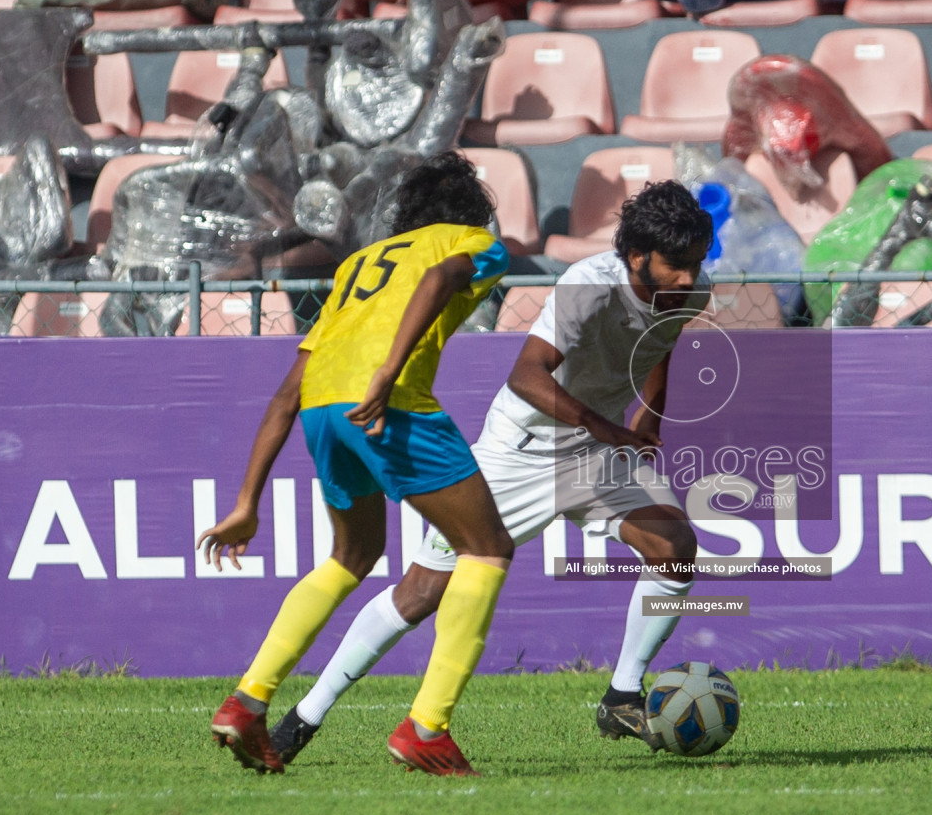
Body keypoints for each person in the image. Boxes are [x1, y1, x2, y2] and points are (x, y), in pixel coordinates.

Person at [267, 180, 715, 764]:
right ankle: (304, 717)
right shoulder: (587, 287)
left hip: (597, 452)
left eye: (696, 262)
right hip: (522, 449)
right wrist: (608, 428)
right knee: (423, 590)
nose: (689, 276)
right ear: (636, 258)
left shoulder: (691, 292)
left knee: (676, 546)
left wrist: (649, 415)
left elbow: (661, 344)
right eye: (676, 264)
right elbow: (527, 376)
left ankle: (622, 695)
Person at [199, 152, 515, 777]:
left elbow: (289, 390)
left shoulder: (358, 264)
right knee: (486, 548)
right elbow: (441, 280)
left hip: (321, 410)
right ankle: (428, 728)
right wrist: (389, 373)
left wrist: (246, 502)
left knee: (351, 557)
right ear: (473, 210)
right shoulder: (477, 242)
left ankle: (248, 700)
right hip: (387, 404)